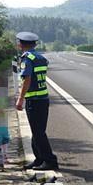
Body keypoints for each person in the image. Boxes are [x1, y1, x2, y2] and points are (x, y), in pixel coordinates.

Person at [16, 31, 59, 171]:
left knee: (38, 132)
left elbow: (26, 80)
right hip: (43, 98)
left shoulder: (27, 59)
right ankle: (39, 159)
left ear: (21, 44)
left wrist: (20, 100)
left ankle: (50, 160)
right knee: (37, 131)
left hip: (34, 100)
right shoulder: (40, 57)